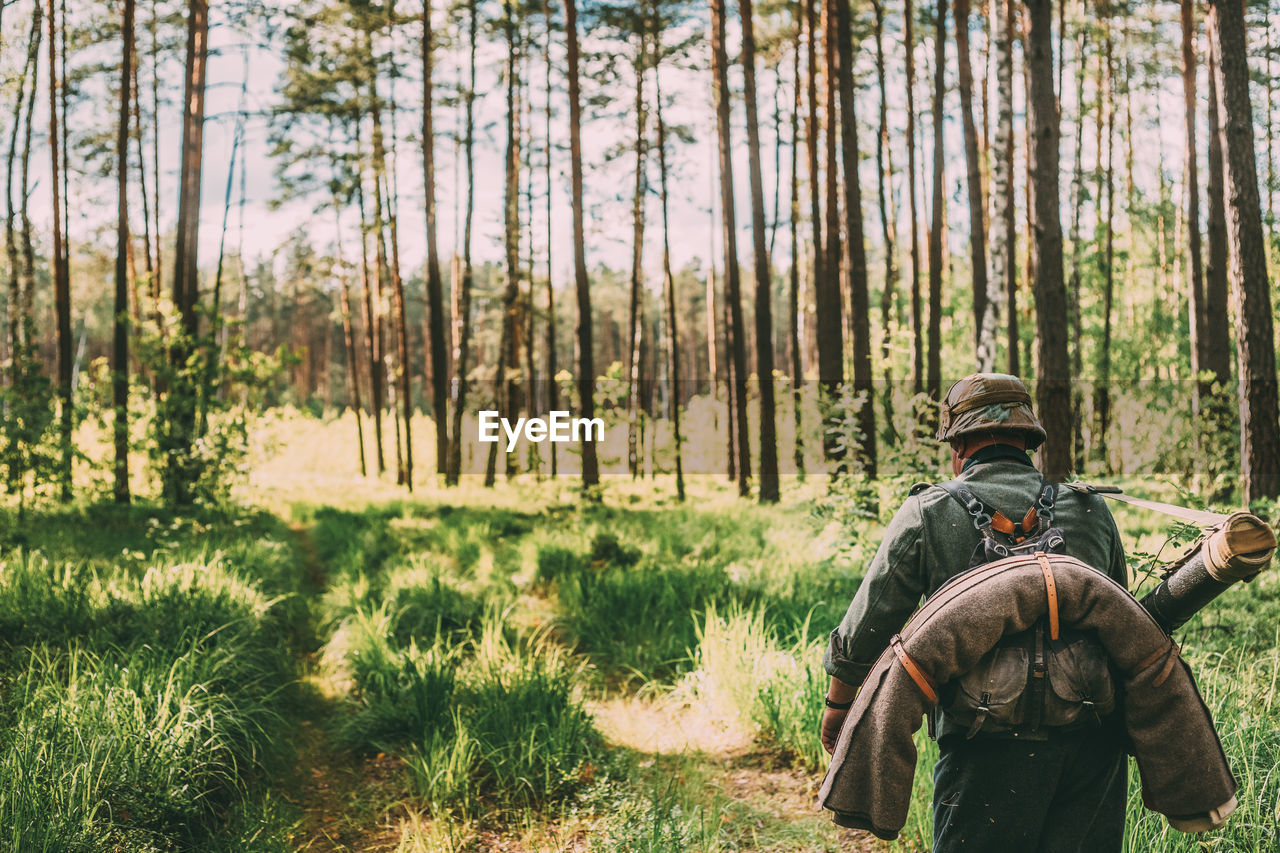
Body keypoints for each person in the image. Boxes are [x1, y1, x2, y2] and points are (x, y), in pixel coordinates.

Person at [821, 373, 1130, 853]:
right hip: (1093, 749)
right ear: (1028, 438)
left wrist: (839, 706)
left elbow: (868, 628)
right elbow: (1122, 626)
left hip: (984, 750)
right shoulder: (1091, 510)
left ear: (958, 443)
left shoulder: (929, 512)